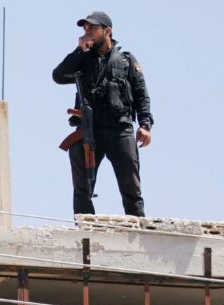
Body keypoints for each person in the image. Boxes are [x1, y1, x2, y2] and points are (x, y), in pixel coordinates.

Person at [53, 11, 153, 217]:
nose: (88, 32)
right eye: (85, 28)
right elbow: (59, 75)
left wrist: (145, 125)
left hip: (120, 130)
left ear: (107, 31)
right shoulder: (83, 59)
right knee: (82, 188)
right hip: (90, 130)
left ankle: (137, 229)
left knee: (131, 187)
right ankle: (86, 230)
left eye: (93, 28)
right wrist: (79, 51)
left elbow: (141, 95)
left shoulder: (126, 61)